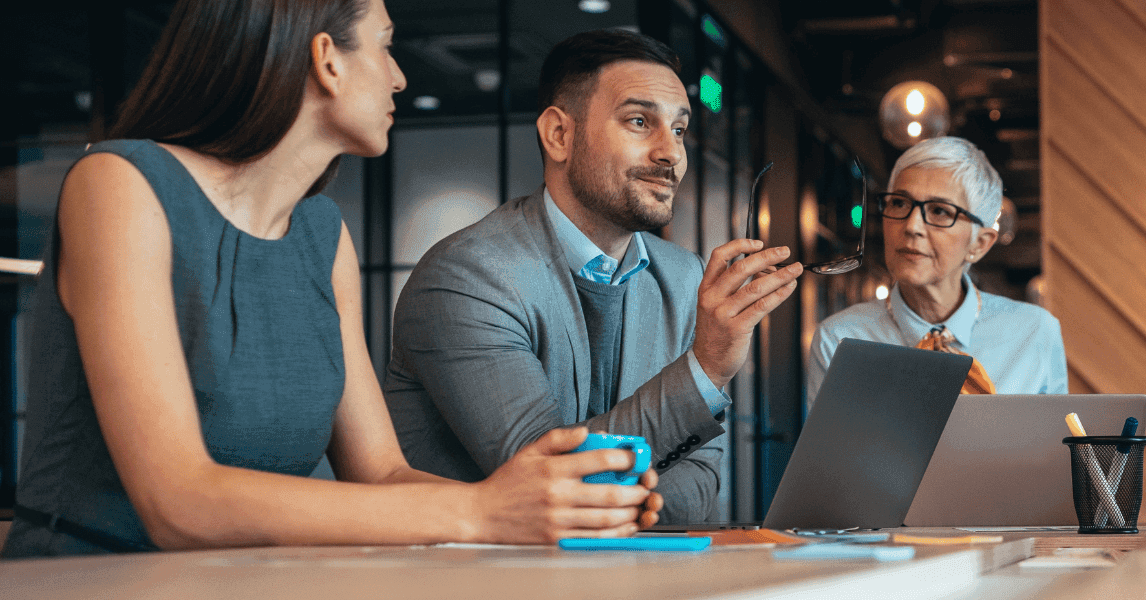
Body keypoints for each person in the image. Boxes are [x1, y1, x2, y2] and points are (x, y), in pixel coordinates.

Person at [4, 0, 658, 558]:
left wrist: (555, 508)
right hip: (85, 580)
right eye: (386, 47)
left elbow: (379, 472)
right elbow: (179, 500)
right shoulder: (120, 185)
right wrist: (484, 513)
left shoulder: (322, 236)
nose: (401, 78)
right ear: (327, 58)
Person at [382, 29, 801, 524]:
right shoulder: (467, 276)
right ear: (559, 135)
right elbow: (554, 480)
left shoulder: (685, 276)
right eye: (640, 121)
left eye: (681, 130)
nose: (672, 153)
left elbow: (703, 472)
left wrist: (620, 506)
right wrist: (706, 369)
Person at [806, 137, 1066, 400]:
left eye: (940, 211)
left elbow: (1058, 440)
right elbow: (829, 443)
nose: (911, 226)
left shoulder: (1036, 333)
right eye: (899, 203)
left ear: (979, 243)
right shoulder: (839, 339)